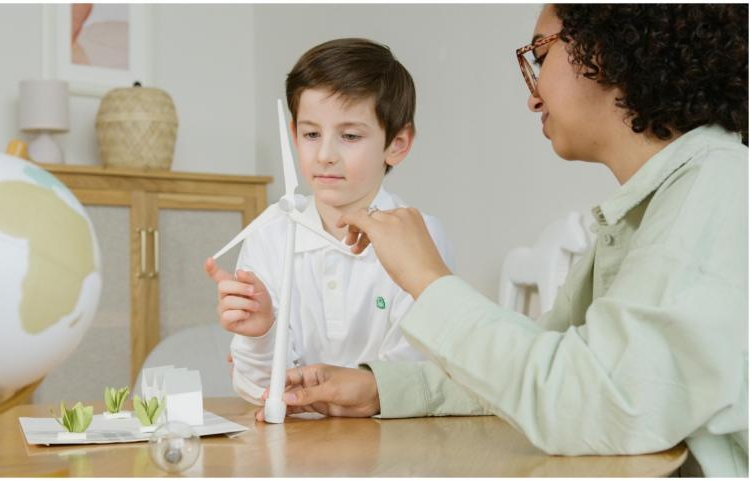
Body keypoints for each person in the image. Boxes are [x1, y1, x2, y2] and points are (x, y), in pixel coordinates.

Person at [262, 5, 748, 477]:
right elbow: (547, 360)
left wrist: (429, 280)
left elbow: (603, 405)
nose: (533, 96)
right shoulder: (656, 207)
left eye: (540, 55)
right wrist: (382, 389)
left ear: (607, 50)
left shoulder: (719, 191)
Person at [204, 38, 454, 405]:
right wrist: (260, 333)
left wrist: (336, 393)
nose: (324, 155)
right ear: (294, 135)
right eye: (311, 134)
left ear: (397, 144)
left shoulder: (420, 236)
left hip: (394, 448)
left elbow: (417, 380)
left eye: (350, 136)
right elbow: (261, 390)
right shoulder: (269, 236)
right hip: (296, 448)